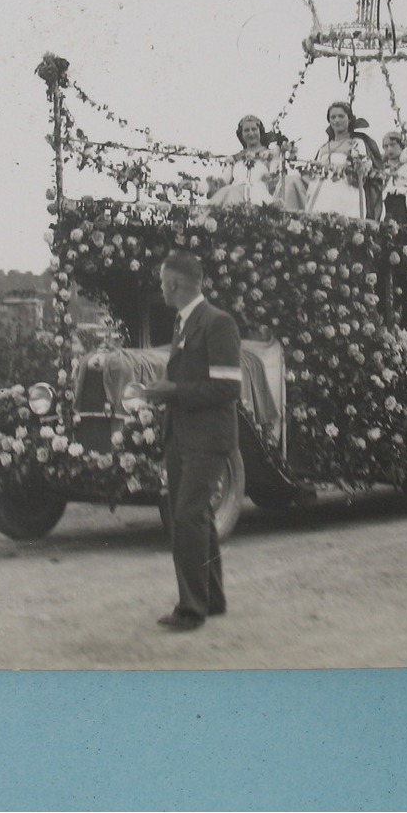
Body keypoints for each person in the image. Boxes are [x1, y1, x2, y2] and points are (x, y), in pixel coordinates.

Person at [141, 250, 242, 631]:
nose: (161, 289)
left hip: (207, 439)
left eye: (163, 283)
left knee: (185, 518)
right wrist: (168, 392)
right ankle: (211, 599)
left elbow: (228, 387)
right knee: (196, 516)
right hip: (183, 436)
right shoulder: (187, 324)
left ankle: (191, 609)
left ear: (174, 284)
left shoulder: (217, 323)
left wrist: (173, 391)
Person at [303, 101, 370, 219]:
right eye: (333, 117)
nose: (337, 120)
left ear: (349, 119)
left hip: (345, 190)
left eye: (341, 116)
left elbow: (360, 169)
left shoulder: (356, 143)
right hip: (321, 192)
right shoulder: (324, 147)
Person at [207, 114, 283, 207]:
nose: (251, 133)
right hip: (234, 201)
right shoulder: (235, 158)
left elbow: (275, 180)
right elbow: (222, 182)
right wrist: (196, 186)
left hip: (260, 200)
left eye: (254, 129)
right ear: (241, 134)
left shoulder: (271, 155)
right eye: (246, 130)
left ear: (260, 131)